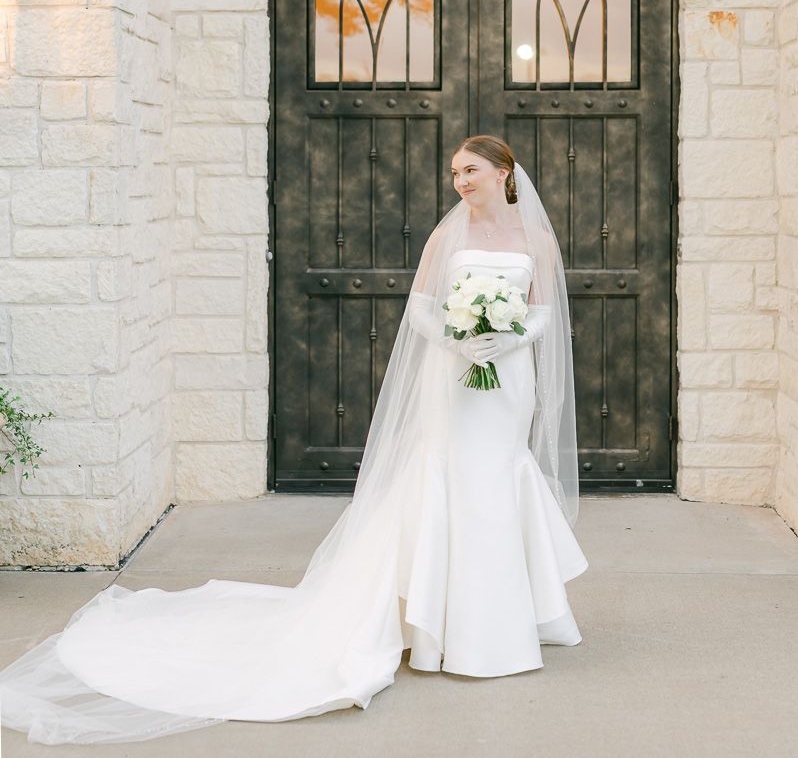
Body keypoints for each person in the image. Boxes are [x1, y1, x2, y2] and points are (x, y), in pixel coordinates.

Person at [0, 135, 588, 746]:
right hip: (456, 377)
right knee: (455, 479)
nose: (461, 181)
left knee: (496, 480)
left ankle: (498, 622)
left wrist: (506, 341)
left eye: (471, 170)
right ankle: (442, 628)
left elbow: (542, 312)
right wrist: (460, 340)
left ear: (502, 172)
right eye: (454, 172)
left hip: (505, 381)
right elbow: (421, 310)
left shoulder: (536, 240)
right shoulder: (449, 237)